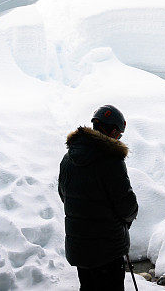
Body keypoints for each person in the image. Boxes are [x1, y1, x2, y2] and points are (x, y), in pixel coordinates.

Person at [58, 105, 138, 291]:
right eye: (118, 135)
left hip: (79, 246)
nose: (118, 139)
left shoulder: (68, 158)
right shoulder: (111, 161)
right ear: (112, 131)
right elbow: (126, 206)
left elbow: (64, 195)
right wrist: (128, 218)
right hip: (107, 248)